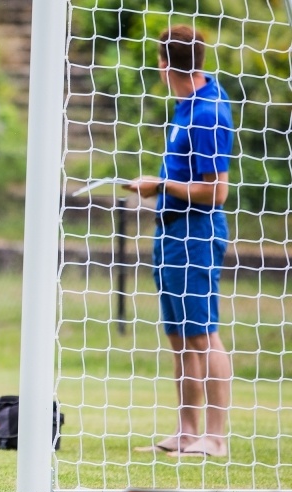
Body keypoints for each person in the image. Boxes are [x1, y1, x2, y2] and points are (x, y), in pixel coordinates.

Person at [126, 25, 233, 458]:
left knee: (204, 335)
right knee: (179, 335)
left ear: (164, 63)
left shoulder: (208, 112)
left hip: (196, 233)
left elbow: (217, 192)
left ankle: (217, 436)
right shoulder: (186, 105)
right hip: (169, 229)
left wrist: (160, 185)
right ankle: (187, 431)